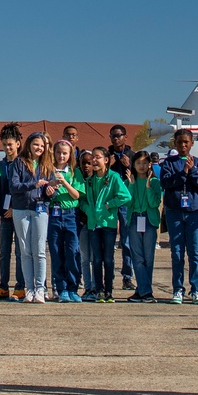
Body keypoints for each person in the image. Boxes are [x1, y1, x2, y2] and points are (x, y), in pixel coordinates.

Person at [159, 129, 198, 304]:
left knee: (194, 252)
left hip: (193, 212)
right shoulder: (169, 163)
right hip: (174, 211)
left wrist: (192, 171)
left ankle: (196, 289)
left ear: (192, 143)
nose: (183, 146)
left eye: (186, 142)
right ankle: (177, 289)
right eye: (179, 142)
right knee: (177, 252)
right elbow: (165, 182)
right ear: (175, 144)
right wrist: (182, 174)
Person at [6, 132, 55, 303]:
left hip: (40, 210)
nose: (39, 148)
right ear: (28, 144)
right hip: (21, 209)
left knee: (39, 251)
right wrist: (33, 184)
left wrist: (50, 192)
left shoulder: (47, 165)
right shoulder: (18, 162)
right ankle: (29, 289)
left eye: (42, 146)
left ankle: (40, 289)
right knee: (25, 250)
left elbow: (52, 190)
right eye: (36, 144)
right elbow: (13, 186)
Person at [79, 146, 131, 302]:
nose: (94, 160)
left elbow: (125, 196)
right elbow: (82, 200)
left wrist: (110, 204)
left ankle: (108, 290)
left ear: (106, 160)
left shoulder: (114, 177)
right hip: (93, 224)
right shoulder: (89, 181)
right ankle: (98, 289)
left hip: (108, 224)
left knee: (108, 258)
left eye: (98, 157)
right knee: (96, 259)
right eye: (93, 157)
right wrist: (88, 209)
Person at [46, 138, 84, 303]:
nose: (61, 156)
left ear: (70, 155)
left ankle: (73, 287)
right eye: (59, 153)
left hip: (71, 214)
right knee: (56, 253)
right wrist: (49, 188)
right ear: (54, 154)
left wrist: (65, 182)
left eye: (65, 153)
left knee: (72, 252)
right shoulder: (48, 171)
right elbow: (44, 193)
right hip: (54, 214)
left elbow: (77, 195)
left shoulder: (75, 172)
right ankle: (61, 289)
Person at [126, 150, 162, 302]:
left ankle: (142, 290)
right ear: (134, 165)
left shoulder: (155, 182)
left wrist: (147, 187)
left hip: (149, 220)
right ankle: (145, 291)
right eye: (138, 163)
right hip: (134, 219)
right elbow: (128, 202)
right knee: (137, 257)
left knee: (148, 258)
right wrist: (132, 185)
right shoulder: (130, 181)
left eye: (144, 163)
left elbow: (154, 203)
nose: (141, 166)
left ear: (149, 165)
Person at [0, 123, 25, 301]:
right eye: (5, 144)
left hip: (19, 211)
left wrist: (15, 207)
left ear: (18, 144)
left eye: (10, 144)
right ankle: (3, 285)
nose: (7, 147)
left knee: (20, 251)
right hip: (4, 214)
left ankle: (20, 286)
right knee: (4, 250)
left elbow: (23, 189)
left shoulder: (23, 164)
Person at [108, 125, 136, 290]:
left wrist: (129, 166)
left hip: (126, 202)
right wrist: (108, 166)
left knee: (126, 241)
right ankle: (108, 276)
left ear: (125, 137)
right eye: (113, 136)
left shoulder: (132, 155)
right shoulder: (106, 155)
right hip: (110, 203)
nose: (116, 139)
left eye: (119, 135)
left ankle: (127, 276)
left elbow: (142, 175)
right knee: (108, 240)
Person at [76, 150, 96, 296]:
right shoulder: (78, 179)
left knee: (95, 258)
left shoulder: (98, 180)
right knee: (84, 257)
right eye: (84, 163)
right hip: (82, 223)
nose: (86, 166)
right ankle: (87, 287)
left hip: (96, 224)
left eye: (89, 163)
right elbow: (79, 200)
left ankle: (95, 286)